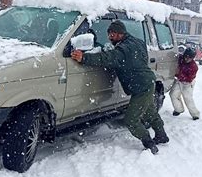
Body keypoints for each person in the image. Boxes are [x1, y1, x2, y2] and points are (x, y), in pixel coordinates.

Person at [71, 20, 169, 154]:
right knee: (149, 112)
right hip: (148, 82)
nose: (110, 37)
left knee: (131, 120)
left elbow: (106, 58)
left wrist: (84, 58)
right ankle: (162, 135)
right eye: (109, 34)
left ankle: (148, 142)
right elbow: (140, 57)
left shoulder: (123, 50)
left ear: (119, 34)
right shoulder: (137, 42)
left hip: (140, 87)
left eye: (112, 34)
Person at [170, 47, 200, 120]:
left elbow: (189, 79)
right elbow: (175, 56)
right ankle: (178, 109)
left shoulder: (194, 67)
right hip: (179, 80)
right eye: (185, 56)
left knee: (187, 98)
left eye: (189, 57)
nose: (186, 58)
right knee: (173, 94)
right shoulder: (181, 58)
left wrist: (179, 74)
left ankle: (195, 114)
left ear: (192, 58)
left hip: (188, 83)